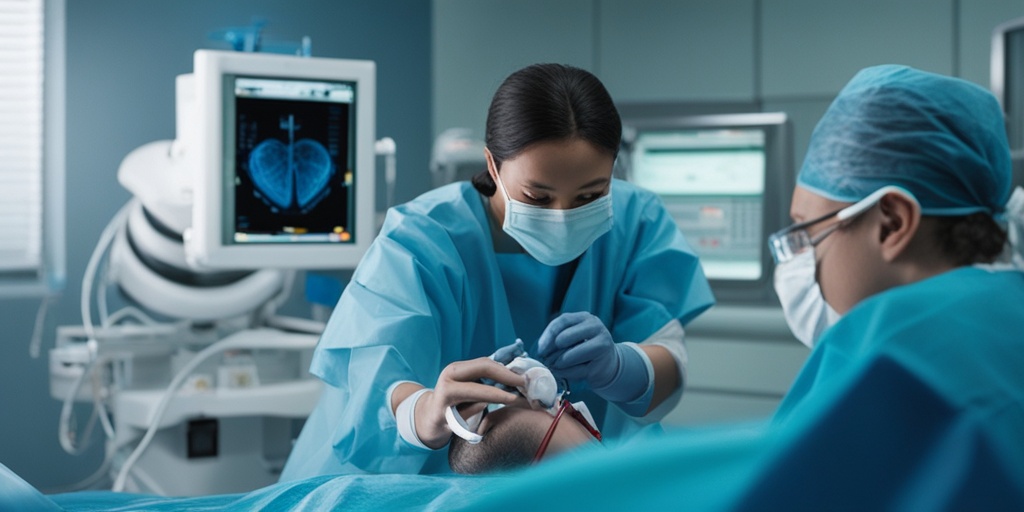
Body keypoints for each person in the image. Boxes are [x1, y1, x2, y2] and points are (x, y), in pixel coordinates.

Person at [451, 65, 1024, 509]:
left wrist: (543, 444)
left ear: (893, 223)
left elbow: (773, 486)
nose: (801, 261)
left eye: (809, 231)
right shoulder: (994, 319)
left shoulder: (906, 347)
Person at [280, 63, 714, 479]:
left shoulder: (636, 221)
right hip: (408, 481)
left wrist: (619, 367)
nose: (563, 216)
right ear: (493, 166)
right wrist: (430, 411)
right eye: (538, 197)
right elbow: (378, 383)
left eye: (589, 196)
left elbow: (668, 362)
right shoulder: (423, 240)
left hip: (568, 481)